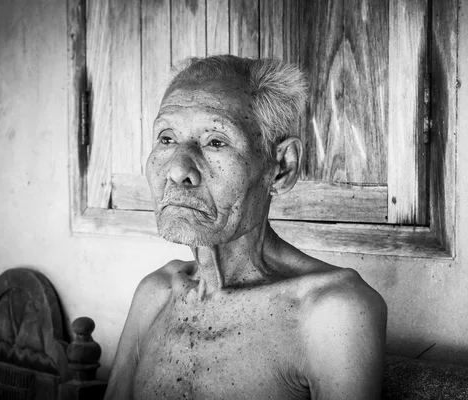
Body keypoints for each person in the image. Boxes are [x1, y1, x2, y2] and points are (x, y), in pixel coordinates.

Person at [105, 55, 387, 400]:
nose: (178, 170)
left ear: (281, 168)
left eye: (216, 142)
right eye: (166, 139)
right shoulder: (155, 293)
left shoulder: (330, 310)